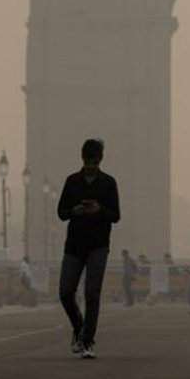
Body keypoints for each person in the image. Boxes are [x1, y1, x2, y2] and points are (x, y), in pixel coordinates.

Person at [57, 138, 121, 359]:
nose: (90, 166)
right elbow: (61, 212)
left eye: (94, 162)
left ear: (101, 159)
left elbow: (116, 215)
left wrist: (99, 209)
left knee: (92, 294)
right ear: (82, 159)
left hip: (98, 245)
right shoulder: (72, 181)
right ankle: (79, 327)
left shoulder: (109, 183)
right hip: (74, 244)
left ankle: (87, 342)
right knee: (65, 292)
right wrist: (75, 211)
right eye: (87, 162)